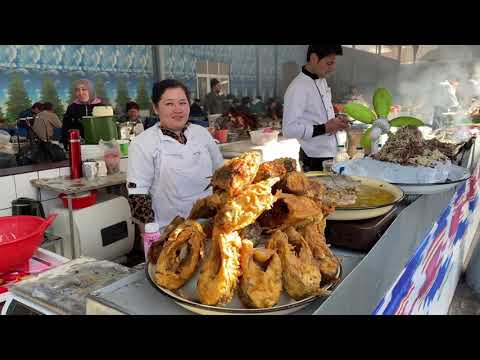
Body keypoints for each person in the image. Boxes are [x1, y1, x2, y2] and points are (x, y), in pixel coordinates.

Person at [127, 79, 224, 231]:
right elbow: (138, 197)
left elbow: (221, 176)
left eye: (182, 103)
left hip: (211, 225)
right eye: (169, 104)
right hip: (168, 232)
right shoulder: (143, 143)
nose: (178, 109)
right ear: (156, 108)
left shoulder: (201, 134)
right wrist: (149, 240)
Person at [282, 45, 349, 172]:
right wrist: (325, 128)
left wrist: (336, 121)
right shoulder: (298, 87)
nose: (332, 68)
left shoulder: (321, 80)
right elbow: (288, 130)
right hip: (313, 159)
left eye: (333, 63)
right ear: (313, 58)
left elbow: (318, 116)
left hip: (331, 154)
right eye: (329, 63)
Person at [61, 79, 105, 148]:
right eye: (77, 90)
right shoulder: (72, 107)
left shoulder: (101, 106)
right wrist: (66, 142)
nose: (80, 93)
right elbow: (65, 128)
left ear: (90, 91)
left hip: (99, 145)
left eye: (84, 89)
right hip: (79, 146)